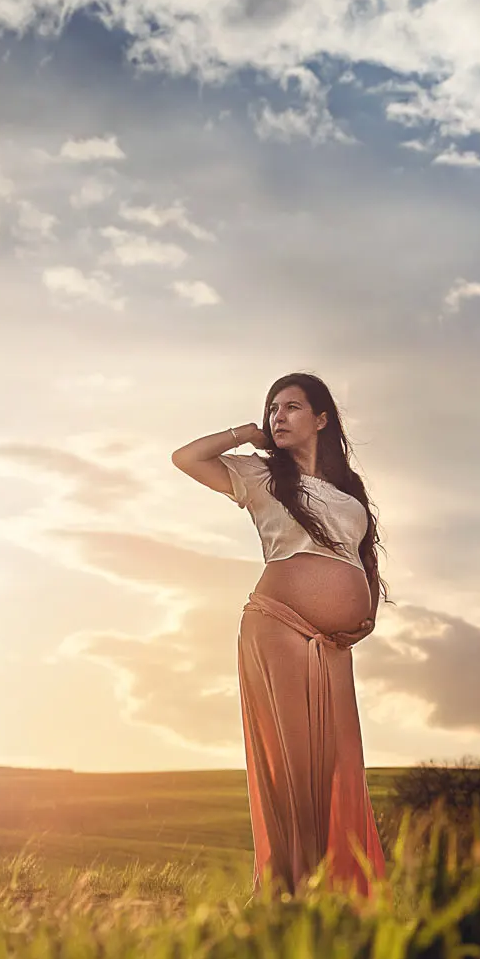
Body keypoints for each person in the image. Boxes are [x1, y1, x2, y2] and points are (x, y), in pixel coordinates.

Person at [171, 373, 390, 898]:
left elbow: (361, 557)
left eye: (292, 407)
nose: (278, 416)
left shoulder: (348, 490)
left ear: (321, 419)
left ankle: (336, 892)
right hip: (279, 624)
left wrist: (366, 614)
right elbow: (186, 458)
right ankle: (290, 891)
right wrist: (246, 433)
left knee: (336, 765)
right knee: (294, 764)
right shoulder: (260, 475)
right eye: (273, 408)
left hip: (333, 646)